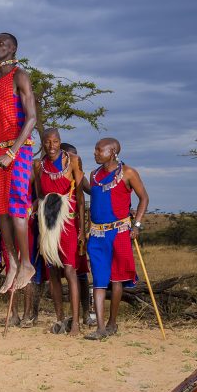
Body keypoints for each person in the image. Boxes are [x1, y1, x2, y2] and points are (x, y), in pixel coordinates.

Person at [0, 32, 38, 293]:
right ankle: (13, 263)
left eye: (1, 44)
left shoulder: (20, 75)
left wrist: (12, 152)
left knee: (17, 207)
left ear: (13, 48)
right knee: (1, 209)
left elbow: (31, 119)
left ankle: (27, 263)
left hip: (19, 149)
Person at [80, 138, 149, 340]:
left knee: (117, 278)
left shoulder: (128, 172)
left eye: (99, 150)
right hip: (97, 234)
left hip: (119, 232)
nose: (95, 153)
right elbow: (92, 191)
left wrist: (136, 224)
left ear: (112, 152)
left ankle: (112, 322)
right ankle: (101, 328)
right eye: (95, 149)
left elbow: (144, 197)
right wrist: (77, 173)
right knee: (99, 280)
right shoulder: (94, 175)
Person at [33, 129, 84, 336]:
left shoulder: (72, 161)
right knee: (52, 273)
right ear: (42, 144)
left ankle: (76, 324)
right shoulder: (38, 165)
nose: (51, 145)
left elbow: (80, 198)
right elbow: (40, 197)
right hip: (48, 225)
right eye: (47, 142)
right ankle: (60, 320)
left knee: (71, 271)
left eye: (55, 141)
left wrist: (82, 229)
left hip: (69, 224)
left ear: (60, 142)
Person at [61, 142, 94, 326]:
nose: (75, 160)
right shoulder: (55, 172)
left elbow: (91, 191)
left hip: (76, 226)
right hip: (57, 228)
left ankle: (86, 313)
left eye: (77, 157)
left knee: (80, 273)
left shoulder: (78, 173)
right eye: (72, 156)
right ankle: (62, 315)